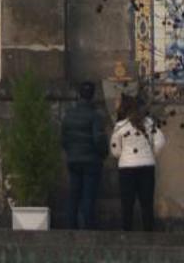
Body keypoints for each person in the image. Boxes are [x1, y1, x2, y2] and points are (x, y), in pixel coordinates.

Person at [109, 93, 166, 232]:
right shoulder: (149, 123)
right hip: (147, 166)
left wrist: (122, 157)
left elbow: (115, 149)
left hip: (127, 168)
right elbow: (160, 141)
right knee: (146, 203)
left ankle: (127, 232)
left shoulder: (120, 126)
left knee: (127, 203)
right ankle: (149, 233)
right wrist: (151, 154)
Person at [60, 80, 108, 229]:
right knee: (88, 195)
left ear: (79, 95)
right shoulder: (95, 116)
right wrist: (103, 153)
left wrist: (71, 152)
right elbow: (98, 138)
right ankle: (88, 226)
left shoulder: (68, 115)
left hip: (74, 160)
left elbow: (64, 139)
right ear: (92, 96)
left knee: (74, 194)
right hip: (91, 161)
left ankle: (71, 225)